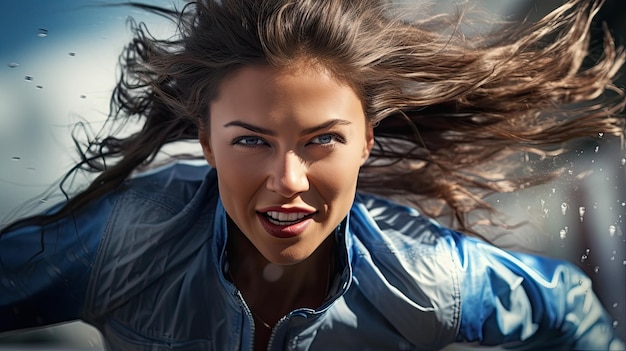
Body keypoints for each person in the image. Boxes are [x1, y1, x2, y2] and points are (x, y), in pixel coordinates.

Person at [1, 0, 625, 349]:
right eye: (251, 141)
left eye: (323, 140)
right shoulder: (126, 241)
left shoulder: (427, 279)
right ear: (207, 145)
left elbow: (568, 308)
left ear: (366, 144)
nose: (289, 180)